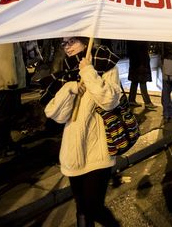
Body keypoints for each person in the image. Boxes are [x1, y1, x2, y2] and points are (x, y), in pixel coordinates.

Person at [44, 37, 121, 226]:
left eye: (72, 41)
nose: (67, 47)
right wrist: (70, 88)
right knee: (81, 208)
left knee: (93, 206)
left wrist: (88, 71)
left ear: (86, 41)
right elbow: (54, 114)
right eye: (64, 43)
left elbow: (109, 100)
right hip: (74, 150)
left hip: (98, 150)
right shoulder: (67, 71)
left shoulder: (105, 63)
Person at [0, 42, 26, 161]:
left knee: (6, 115)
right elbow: (5, 60)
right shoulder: (7, 40)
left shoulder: (8, 37)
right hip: (7, 85)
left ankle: (6, 142)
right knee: (3, 116)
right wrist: (11, 81)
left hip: (8, 85)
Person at [126, 40, 155, 109]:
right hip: (141, 64)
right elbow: (143, 51)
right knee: (142, 82)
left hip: (134, 62)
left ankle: (131, 100)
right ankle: (147, 102)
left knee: (134, 81)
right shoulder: (141, 40)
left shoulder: (131, 40)